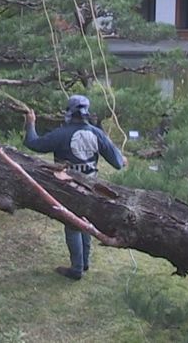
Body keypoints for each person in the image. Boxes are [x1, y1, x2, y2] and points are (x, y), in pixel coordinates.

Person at [23, 94, 127, 280]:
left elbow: (33, 143)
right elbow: (118, 163)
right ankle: (84, 263)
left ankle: (76, 269)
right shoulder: (97, 134)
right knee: (86, 221)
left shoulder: (60, 134)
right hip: (92, 188)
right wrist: (121, 157)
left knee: (72, 225)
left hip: (68, 188)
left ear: (69, 112)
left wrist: (30, 123)